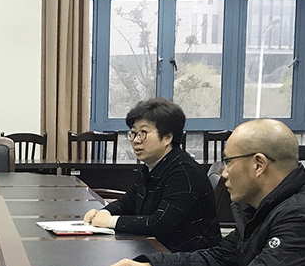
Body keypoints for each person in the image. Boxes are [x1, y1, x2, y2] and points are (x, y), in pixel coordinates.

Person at [106, 119, 305, 266]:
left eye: (228, 162)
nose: (224, 173)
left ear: (258, 164)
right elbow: (218, 258)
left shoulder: (298, 217)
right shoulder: (262, 208)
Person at [83, 98, 220, 252]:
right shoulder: (154, 165)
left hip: (188, 257)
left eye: (143, 133)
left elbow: (161, 223)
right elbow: (128, 202)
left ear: (167, 137)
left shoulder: (184, 171)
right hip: (159, 249)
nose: (136, 141)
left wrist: (110, 221)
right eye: (133, 133)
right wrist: (103, 212)